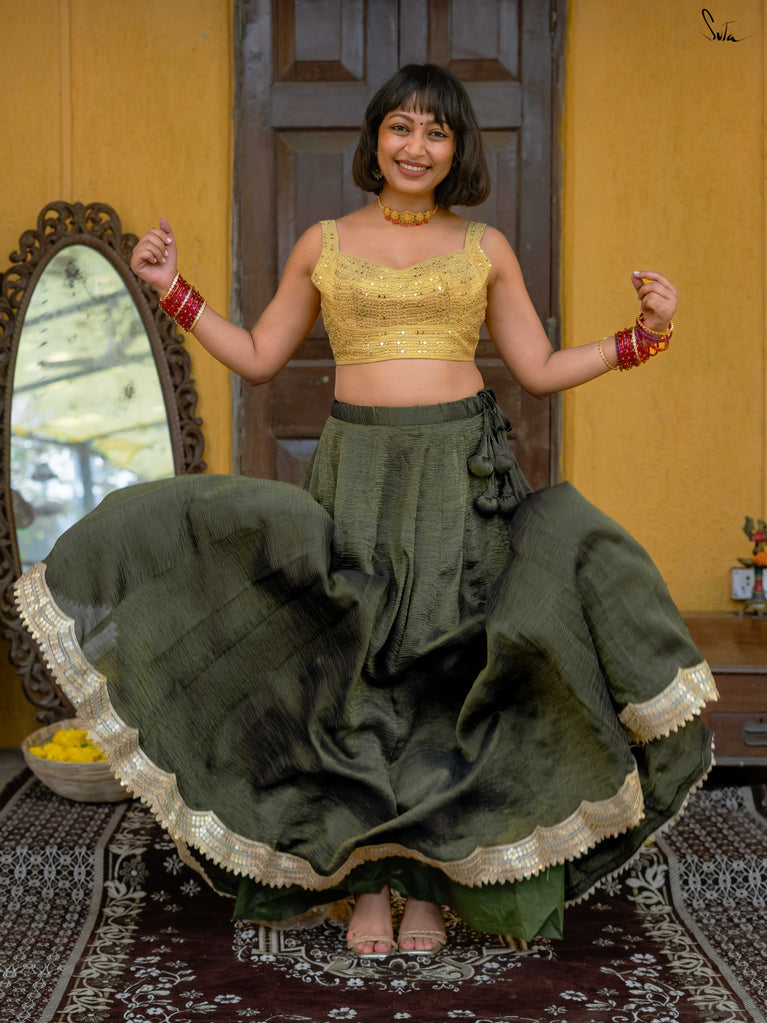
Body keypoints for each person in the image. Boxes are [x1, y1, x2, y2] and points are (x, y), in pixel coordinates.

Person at [15, 64, 716, 958]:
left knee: (443, 679)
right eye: (400, 126)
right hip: (356, 475)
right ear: (375, 138)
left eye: (436, 131)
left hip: (459, 478)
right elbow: (259, 355)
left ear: (456, 150)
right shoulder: (323, 243)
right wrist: (171, 286)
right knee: (353, 680)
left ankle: (426, 887)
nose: (415, 146)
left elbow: (537, 370)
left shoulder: (485, 248)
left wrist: (641, 337)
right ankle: (367, 887)